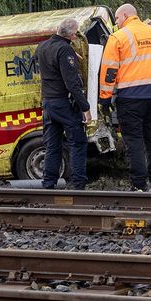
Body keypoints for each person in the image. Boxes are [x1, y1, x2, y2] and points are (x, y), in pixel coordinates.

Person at [99, 4, 151, 191]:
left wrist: (105, 98)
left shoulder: (118, 37)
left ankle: (139, 185)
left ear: (125, 15)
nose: (116, 23)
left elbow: (109, 70)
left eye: (117, 19)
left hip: (130, 97)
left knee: (134, 140)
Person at [36, 18, 91, 190]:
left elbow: (40, 64)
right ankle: (78, 184)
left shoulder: (42, 46)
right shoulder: (65, 49)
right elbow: (72, 83)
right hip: (64, 103)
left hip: (48, 104)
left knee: (52, 145)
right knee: (78, 142)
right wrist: (85, 108)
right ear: (73, 35)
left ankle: (48, 183)